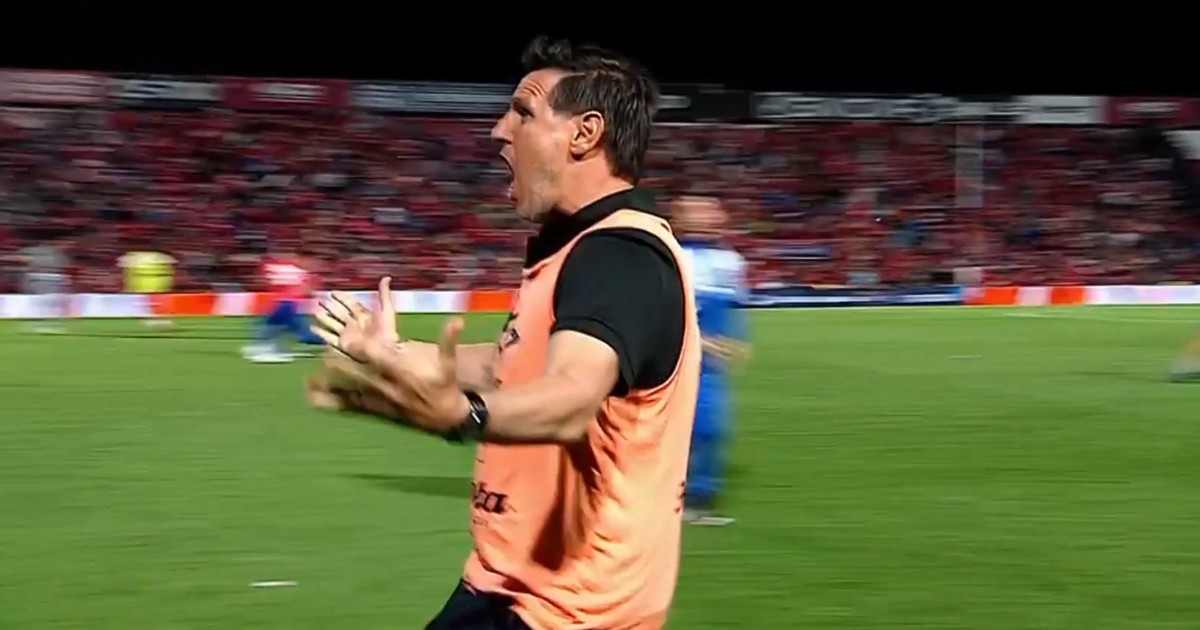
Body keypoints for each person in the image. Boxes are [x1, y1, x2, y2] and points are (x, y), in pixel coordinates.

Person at [306, 36, 701, 630]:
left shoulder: (620, 256)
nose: (498, 131)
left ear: (585, 133)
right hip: (509, 588)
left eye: (523, 112)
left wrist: (462, 415)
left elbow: (572, 393)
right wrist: (389, 351)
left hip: (561, 611)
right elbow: (508, 363)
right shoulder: (580, 249)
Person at [675, 195, 751, 526]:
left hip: (710, 366)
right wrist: (699, 339)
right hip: (672, 359)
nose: (705, 216)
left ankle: (699, 500)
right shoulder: (671, 253)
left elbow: (733, 306)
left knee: (709, 430)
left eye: (710, 210)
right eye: (696, 210)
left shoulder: (730, 261)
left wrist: (739, 338)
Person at [242, 249, 325, 363]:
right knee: (301, 332)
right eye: (313, 261)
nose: (315, 264)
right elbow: (305, 291)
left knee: (272, 326)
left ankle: (265, 347)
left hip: (278, 303)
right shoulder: (307, 274)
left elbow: (267, 277)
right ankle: (336, 343)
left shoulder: (285, 268)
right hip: (287, 304)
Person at [20, 239, 71, 334]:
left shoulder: (59, 255)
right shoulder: (40, 253)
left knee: (51, 305)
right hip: (42, 280)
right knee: (43, 305)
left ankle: (51, 324)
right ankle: (38, 325)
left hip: (50, 280)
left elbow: (64, 269)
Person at [118, 249, 177, 330]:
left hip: (144, 286)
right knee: (151, 305)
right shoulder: (163, 257)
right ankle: (159, 320)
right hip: (156, 286)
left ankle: (157, 320)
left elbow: (127, 273)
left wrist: (128, 286)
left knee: (146, 305)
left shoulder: (132, 258)